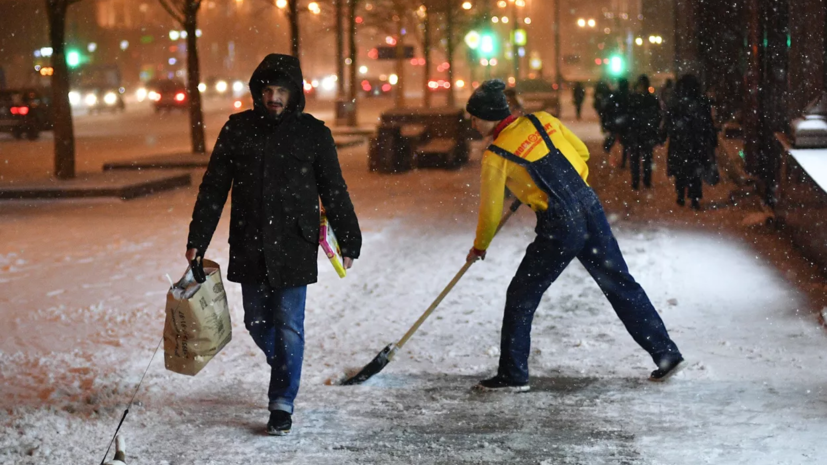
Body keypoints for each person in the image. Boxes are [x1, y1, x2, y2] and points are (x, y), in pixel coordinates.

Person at [464, 79, 685, 392]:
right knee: (621, 283)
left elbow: (490, 210)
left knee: (521, 296)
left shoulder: (496, 155)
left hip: (559, 225)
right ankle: (666, 355)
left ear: (488, 117)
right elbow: (581, 153)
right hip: (589, 207)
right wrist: (565, 190)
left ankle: (513, 374)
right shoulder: (543, 121)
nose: (472, 123)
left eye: (474, 117)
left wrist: (479, 246)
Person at [186, 54, 362, 435]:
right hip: (250, 240)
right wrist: (197, 239)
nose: (274, 97)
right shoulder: (237, 130)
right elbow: (214, 187)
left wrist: (349, 238)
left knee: (288, 325)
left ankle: (282, 402)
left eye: (281, 90)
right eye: (267, 89)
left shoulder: (313, 133)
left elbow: (334, 190)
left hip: (295, 243)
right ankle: (287, 364)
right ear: (257, 92)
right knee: (256, 321)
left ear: (294, 94)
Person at [664, 74, 717, 210]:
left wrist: (667, 132)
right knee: (695, 172)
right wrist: (711, 138)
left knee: (681, 171)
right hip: (696, 142)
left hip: (680, 142)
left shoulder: (676, 102)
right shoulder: (700, 102)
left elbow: (668, 121)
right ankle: (694, 198)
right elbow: (708, 123)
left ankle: (681, 195)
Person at [626, 75, 662, 190]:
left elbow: (628, 116)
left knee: (635, 159)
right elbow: (657, 116)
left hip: (636, 134)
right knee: (646, 158)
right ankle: (646, 181)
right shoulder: (652, 99)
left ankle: (636, 181)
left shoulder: (633, 99)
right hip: (647, 134)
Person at [603, 78, 632, 168]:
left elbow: (607, 108)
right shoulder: (629, 95)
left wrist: (608, 121)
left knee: (614, 139)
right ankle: (622, 161)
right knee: (625, 144)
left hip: (617, 122)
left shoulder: (615, 95)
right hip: (626, 123)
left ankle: (615, 158)